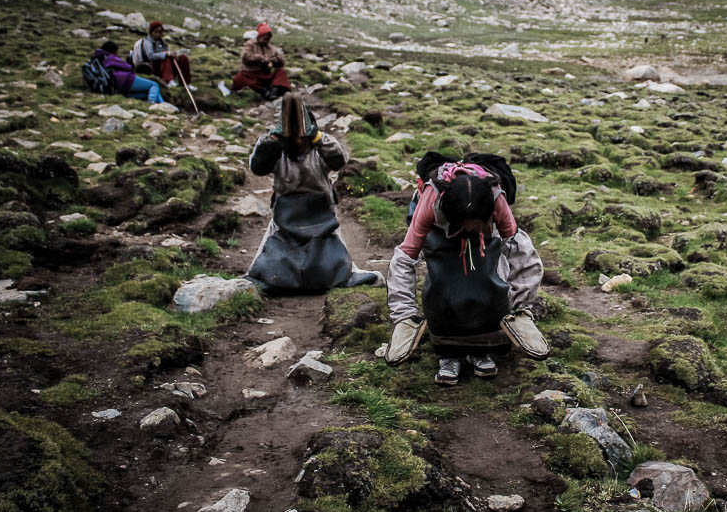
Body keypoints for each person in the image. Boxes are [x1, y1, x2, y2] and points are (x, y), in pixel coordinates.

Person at [385, 152, 549, 385]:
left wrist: (521, 309)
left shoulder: (496, 199)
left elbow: (521, 254)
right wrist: (404, 316)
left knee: (487, 280)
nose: (472, 228)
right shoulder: (430, 201)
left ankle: (482, 349)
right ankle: (448, 353)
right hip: (441, 235)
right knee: (444, 283)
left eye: (478, 224)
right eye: (468, 224)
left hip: (483, 240)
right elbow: (405, 257)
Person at [247, 92, 382, 291]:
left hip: (321, 217)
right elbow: (258, 167)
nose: (298, 142)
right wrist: (270, 141)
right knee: (268, 268)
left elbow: (339, 160)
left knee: (333, 263)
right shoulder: (277, 152)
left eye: (303, 138)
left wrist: (317, 136)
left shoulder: (319, 149)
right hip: (285, 218)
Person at [92, 40, 164, 103]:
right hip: (124, 80)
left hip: (116, 86)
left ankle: (162, 105)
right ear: (114, 51)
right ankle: (152, 102)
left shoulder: (100, 59)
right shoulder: (110, 57)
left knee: (148, 93)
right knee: (154, 85)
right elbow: (128, 67)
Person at [233, 23, 291, 100]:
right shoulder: (250, 44)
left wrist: (276, 60)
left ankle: (274, 91)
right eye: (265, 38)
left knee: (280, 72)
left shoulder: (270, 47)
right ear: (260, 36)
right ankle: (264, 91)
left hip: (265, 74)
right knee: (239, 78)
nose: (267, 40)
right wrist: (260, 58)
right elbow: (246, 56)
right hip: (251, 74)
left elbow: (280, 62)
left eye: (268, 39)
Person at [132, 20, 195, 90]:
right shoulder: (147, 42)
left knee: (183, 58)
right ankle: (168, 81)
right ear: (151, 32)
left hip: (166, 67)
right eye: (156, 32)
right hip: (152, 68)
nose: (158, 34)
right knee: (166, 57)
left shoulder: (163, 42)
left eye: (160, 32)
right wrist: (166, 54)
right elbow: (150, 56)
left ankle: (186, 83)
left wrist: (173, 55)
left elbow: (168, 52)